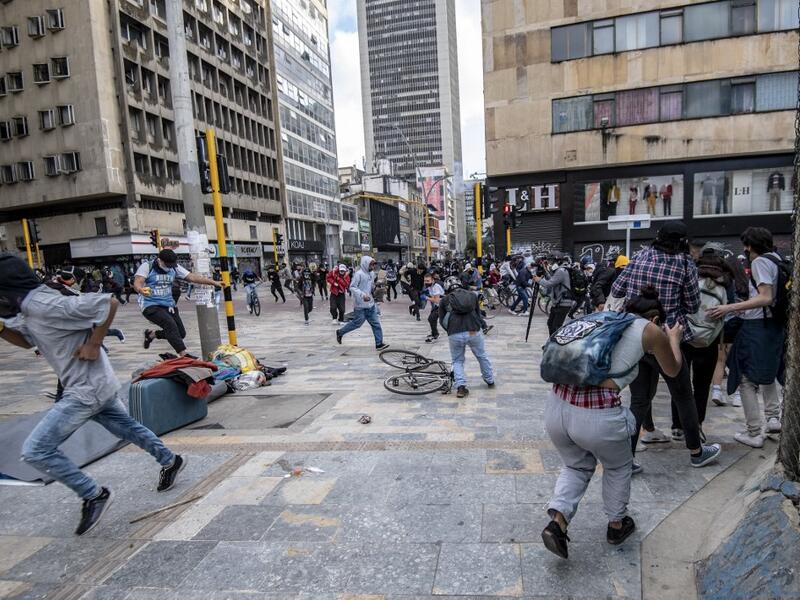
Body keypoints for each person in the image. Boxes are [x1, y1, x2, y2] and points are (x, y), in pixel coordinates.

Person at [0, 254, 185, 536]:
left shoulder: (44, 304)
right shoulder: (29, 308)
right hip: (94, 384)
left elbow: (107, 303)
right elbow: (26, 341)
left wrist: (94, 344)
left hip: (85, 391)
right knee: (128, 429)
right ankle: (171, 460)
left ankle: (93, 494)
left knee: (36, 450)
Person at [540, 287, 684, 559]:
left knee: (576, 465)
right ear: (655, 319)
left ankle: (557, 523)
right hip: (596, 415)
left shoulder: (603, 318)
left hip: (557, 406)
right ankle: (617, 525)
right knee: (618, 466)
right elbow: (672, 369)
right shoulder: (650, 329)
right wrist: (673, 338)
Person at [609, 221, 721, 469]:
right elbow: (693, 305)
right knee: (683, 394)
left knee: (639, 399)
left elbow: (617, 289)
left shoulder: (640, 256)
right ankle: (696, 452)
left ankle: (627, 459)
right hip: (667, 337)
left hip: (635, 335)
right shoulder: (685, 263)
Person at [707, 227, 785, 448]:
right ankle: (773, 418)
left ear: (750, 246)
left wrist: (730, 307)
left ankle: (754, 432)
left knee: (745, 378)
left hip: (757, 326)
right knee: (768, 373)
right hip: (774, 325)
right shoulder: (777, 259)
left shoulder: (760, 261)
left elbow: (765, 297)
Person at [135, 249, 221, 357]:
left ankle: (151, 335)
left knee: (180, 333)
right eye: (167, 265)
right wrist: (140, 289)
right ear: (160, 260)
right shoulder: (147, 266)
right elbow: (138, 282)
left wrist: (213, 282)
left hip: (168, 305)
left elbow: (192, 277)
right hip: (150, 304)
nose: (169, 267)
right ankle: (183, 355)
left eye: (172, 265)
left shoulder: (174, 267)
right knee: (169, 324)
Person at [438, 276, 495, 398]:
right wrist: (482, 326)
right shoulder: (472, 295)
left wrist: (450, 330)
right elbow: (478, 314)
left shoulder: (444, 300)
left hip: (455, 333)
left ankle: (461, 387)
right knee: (481, 355)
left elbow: (442, 320)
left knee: (457, 360)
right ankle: (489, 379)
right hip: (473, 330)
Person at [335, 256, 389, 350]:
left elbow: (370, 287)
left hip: (370, 304)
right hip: (360, 305)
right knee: (357, 323)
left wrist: (378, 287)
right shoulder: (358, 274)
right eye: (371, 264)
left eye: (374, 264)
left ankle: (379, 344)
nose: (373, 266)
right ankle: (340, 332)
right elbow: (352, 287)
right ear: (365, 264)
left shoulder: (372, 274)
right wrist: (362, 295)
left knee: (376, 323)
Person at [534, 253, 573, 334]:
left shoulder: (561, 271)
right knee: (550, 324)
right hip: (558, 303)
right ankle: (551, 340)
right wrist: (545, 272)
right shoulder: (559, 270)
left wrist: (539, 280)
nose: (550, 264)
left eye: (551, 261)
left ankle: (555, 342)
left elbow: (549, 284)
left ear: (558, 261)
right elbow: (552, 280)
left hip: (563, 303)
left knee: (556, 327)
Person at [423, 272, 445, 343]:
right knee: (431, 319)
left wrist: (426, 298)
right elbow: (433, 297)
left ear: (432, 280)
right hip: (437, 305)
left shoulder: (436, 287)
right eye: (425, 281)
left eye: (428, 281)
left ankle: (435, 334)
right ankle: (434, 334)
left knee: (432, 318)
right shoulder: (430, 287)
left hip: (443, 305)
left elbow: (436, 300)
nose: (426, 282)